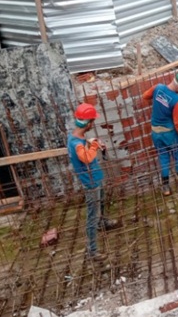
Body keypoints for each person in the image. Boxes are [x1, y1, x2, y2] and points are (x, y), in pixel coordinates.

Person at [67, 103, 117, 262]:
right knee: (92, 215)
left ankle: (103, 222)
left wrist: (90, 142)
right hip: (90, 182)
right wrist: (94, 145)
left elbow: (82, 144)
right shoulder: (76, 144)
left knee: (101, 202)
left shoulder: (74, 137)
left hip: (96, 177)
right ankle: (92, 250)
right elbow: (86, 158)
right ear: (88, 123)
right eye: (92, 122)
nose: (93, 124)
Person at [143, 72, 178, 196]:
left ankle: (165, 187)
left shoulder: (158, 87)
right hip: (170, 134)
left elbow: (145, 96)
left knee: (163, 158)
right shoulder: (176, 100)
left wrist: (157, 100)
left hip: (156, 133)